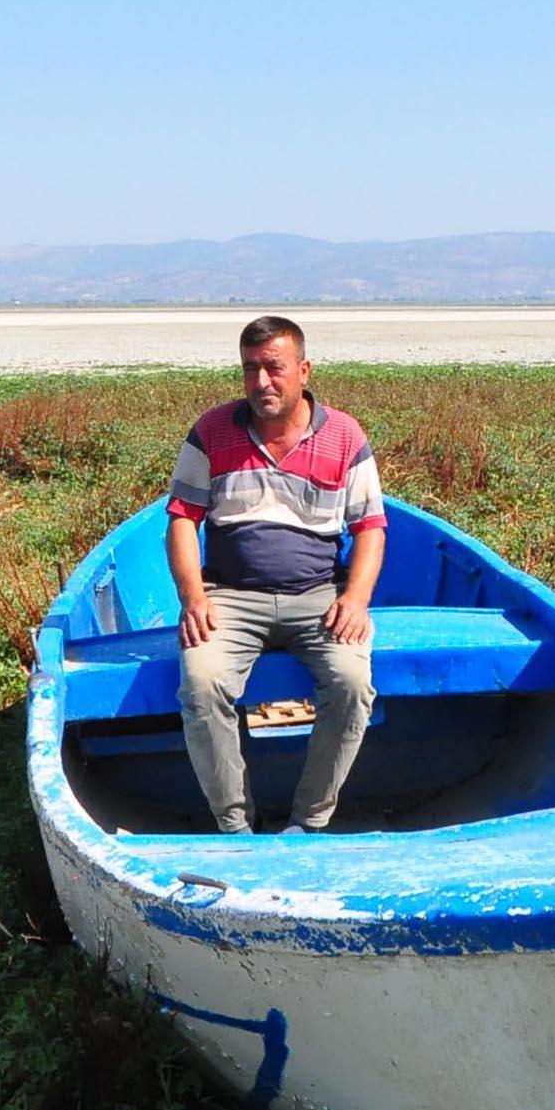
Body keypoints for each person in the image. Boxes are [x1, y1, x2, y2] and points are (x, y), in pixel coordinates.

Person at [166, 315, 385, 834]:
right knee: (201, 684)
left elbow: (371, 528)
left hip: (318, 595)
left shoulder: (345, 436)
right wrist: (193, 598)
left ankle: (308, 823)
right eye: (250, 369)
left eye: (274, 368)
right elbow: (181, 521)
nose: (262, 382)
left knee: (353, 684)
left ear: (304, 370)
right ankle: (236, 826)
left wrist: (354, 600)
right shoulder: (211, 432)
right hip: (230, 596)